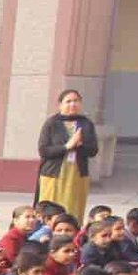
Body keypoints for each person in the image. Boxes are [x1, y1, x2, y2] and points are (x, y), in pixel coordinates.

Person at [37, 88, 99, 222]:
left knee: (73, 211)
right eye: (68, 101)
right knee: (52, 211)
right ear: (60, 105)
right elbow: (44, 150)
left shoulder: (86, 123)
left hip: (77, 175)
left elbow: (93, 150)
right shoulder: (52, 123)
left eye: (76, 101)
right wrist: (67, 146)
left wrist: (79, 145)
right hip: (54, 174)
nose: (72, 104)